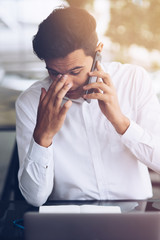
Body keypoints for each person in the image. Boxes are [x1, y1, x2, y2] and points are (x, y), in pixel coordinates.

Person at [16, 6, 160, 207]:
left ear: (98, 52)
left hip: (134, 220)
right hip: (71, 226)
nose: (66, 83)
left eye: (75, 71)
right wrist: (43, 137)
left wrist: (121, 122)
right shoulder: (30, 103)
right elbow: (34, 198)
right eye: (55, 73)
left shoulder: (133, 80)